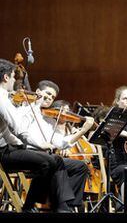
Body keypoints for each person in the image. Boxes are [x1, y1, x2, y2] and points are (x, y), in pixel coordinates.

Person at [0, 59, 73, 212]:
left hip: (10, 147)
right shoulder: (2, 99)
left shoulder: (5, 97)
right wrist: (39, 145)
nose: (15, 81)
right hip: (4, 154)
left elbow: (8, 131)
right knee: (48, 162)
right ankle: (30, 207)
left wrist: (22, 145)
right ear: (6, 78)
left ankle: (54, 206)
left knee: (54, 160)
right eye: (14, 77)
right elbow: (19, 129)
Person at [18, 80, 94, 212]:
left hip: (45, 157)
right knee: (55, 160)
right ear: (37, 92)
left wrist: (82, 131)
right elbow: (20, 134)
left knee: (80, 166)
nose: (49, 98)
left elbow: (61, 143)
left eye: (52, 97)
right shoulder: (24, 111)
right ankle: (61, 207)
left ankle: (69, 205)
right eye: (47, 94)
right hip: (26, 153)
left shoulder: (49, 120)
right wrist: (35, 104)